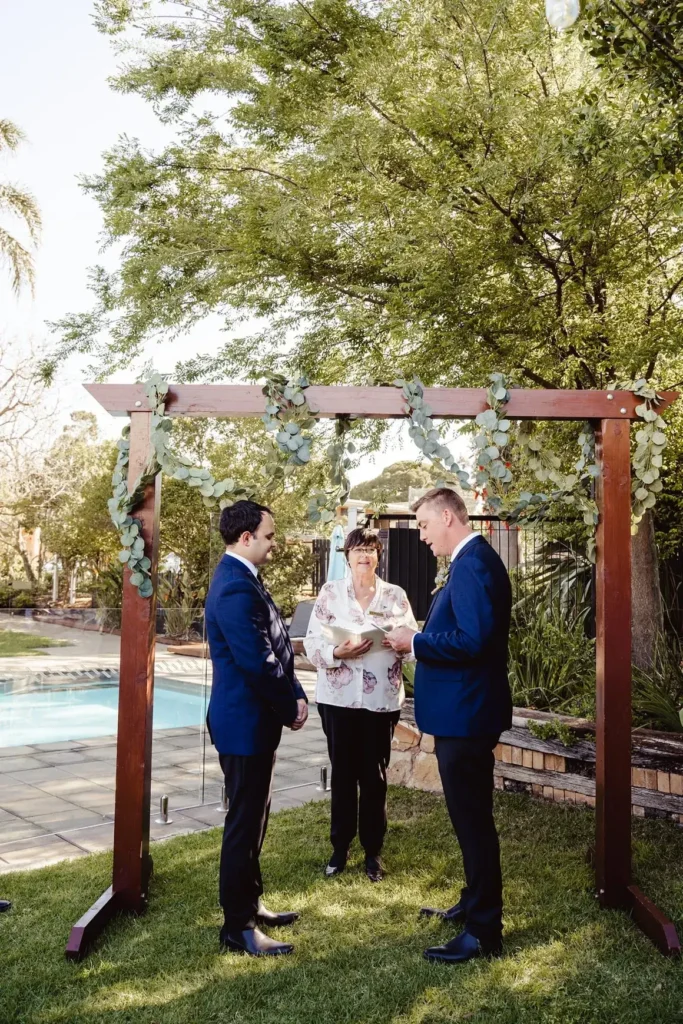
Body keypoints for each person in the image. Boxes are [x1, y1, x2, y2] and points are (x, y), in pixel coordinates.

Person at [388, 488, 512, 964]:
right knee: (468, 819)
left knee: (474, 821)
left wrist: (415, 642)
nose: (421, 536)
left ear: (446, 516)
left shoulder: (474, 563)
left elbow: (474, 641)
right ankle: (473, 901)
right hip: (464, 712)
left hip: (468, 714)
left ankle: (484, 930)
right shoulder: (469, 561)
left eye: (422, 525)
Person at [205, 500, 309, 957]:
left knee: (256, 817)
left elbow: (278, 644)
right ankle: (237, 927)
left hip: (254, 723)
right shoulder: (233, 586)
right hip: (243, 723)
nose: (273, 543)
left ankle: (251, 903)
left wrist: (298, 691)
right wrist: (291, 707)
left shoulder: (244, 578)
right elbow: (257, 662)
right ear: (245, 538)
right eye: (268, 536)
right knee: (243, 823)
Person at [304, 527, 418, 882]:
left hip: (381, 701)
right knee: (342, 774)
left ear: (378, 555)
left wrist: (401, 643)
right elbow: (311, 643)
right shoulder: (330, 594)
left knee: (374, 776)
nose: (364, 555)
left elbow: (413, 641)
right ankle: (339, 848)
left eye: (371, 549)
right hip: (338, 700)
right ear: (347, 555)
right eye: (358, 550)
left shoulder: (396, 596)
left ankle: (373, 851)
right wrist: (339, 652)